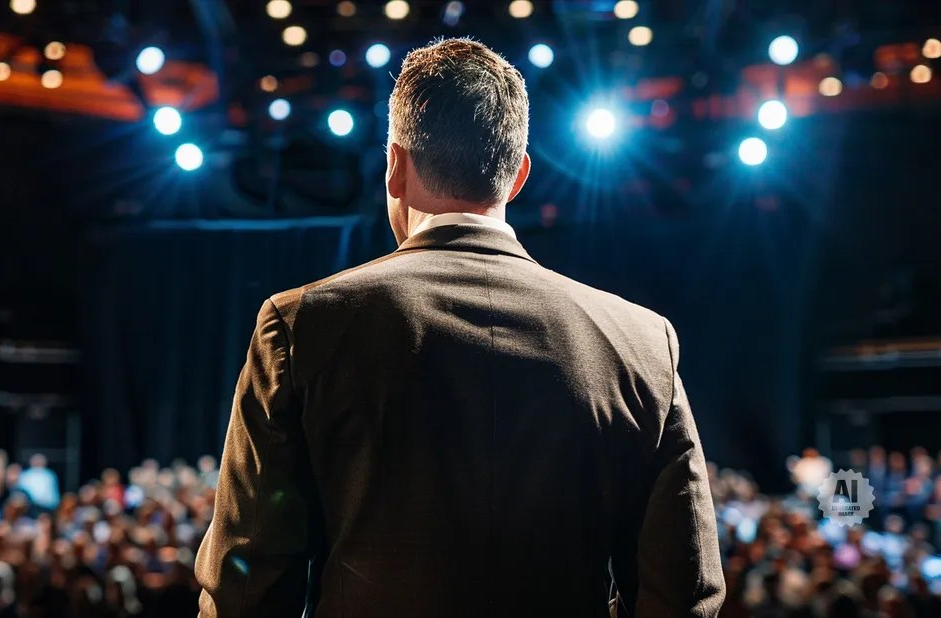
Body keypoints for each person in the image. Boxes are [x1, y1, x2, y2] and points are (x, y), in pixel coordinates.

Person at [196, 38, 724, 618]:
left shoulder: (302, 326)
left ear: (394, 166)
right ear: (518, 176)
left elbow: (247, 585)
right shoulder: (642, 341)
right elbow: (684, 593)